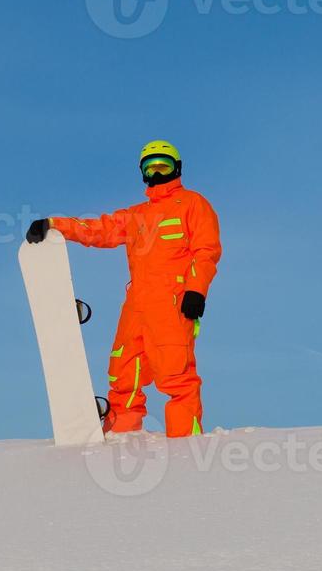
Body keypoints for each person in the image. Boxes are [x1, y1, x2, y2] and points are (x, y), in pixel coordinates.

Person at [26, 140, 221, 438]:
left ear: (177, 168)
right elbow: (97, 229)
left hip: (172, 304)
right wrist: (54, 224)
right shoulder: (136, 215)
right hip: (136, 306)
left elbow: (206, 251)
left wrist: (196, 291)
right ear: (142, 173)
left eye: (163, 166)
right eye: (150, 167)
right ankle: (122, 437)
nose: (157, 172)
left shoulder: (194, 204)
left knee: (176, 377)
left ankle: (187, 448)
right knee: (124, 373)